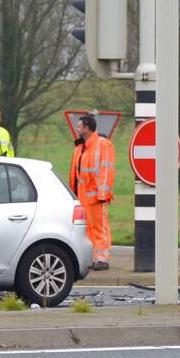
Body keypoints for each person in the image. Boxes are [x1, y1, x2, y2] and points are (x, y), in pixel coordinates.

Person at [69, 114, 115, 270]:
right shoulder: (80, 147)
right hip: (82, 197)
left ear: (86, 128)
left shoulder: (103, 144)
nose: (77, 129)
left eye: (79, 126)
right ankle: (92, 259)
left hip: (96, 197)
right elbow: (75, 174)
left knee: (99, 229)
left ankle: (102, 259)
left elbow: (106, 170)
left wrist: (103, 195)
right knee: (87, 230)